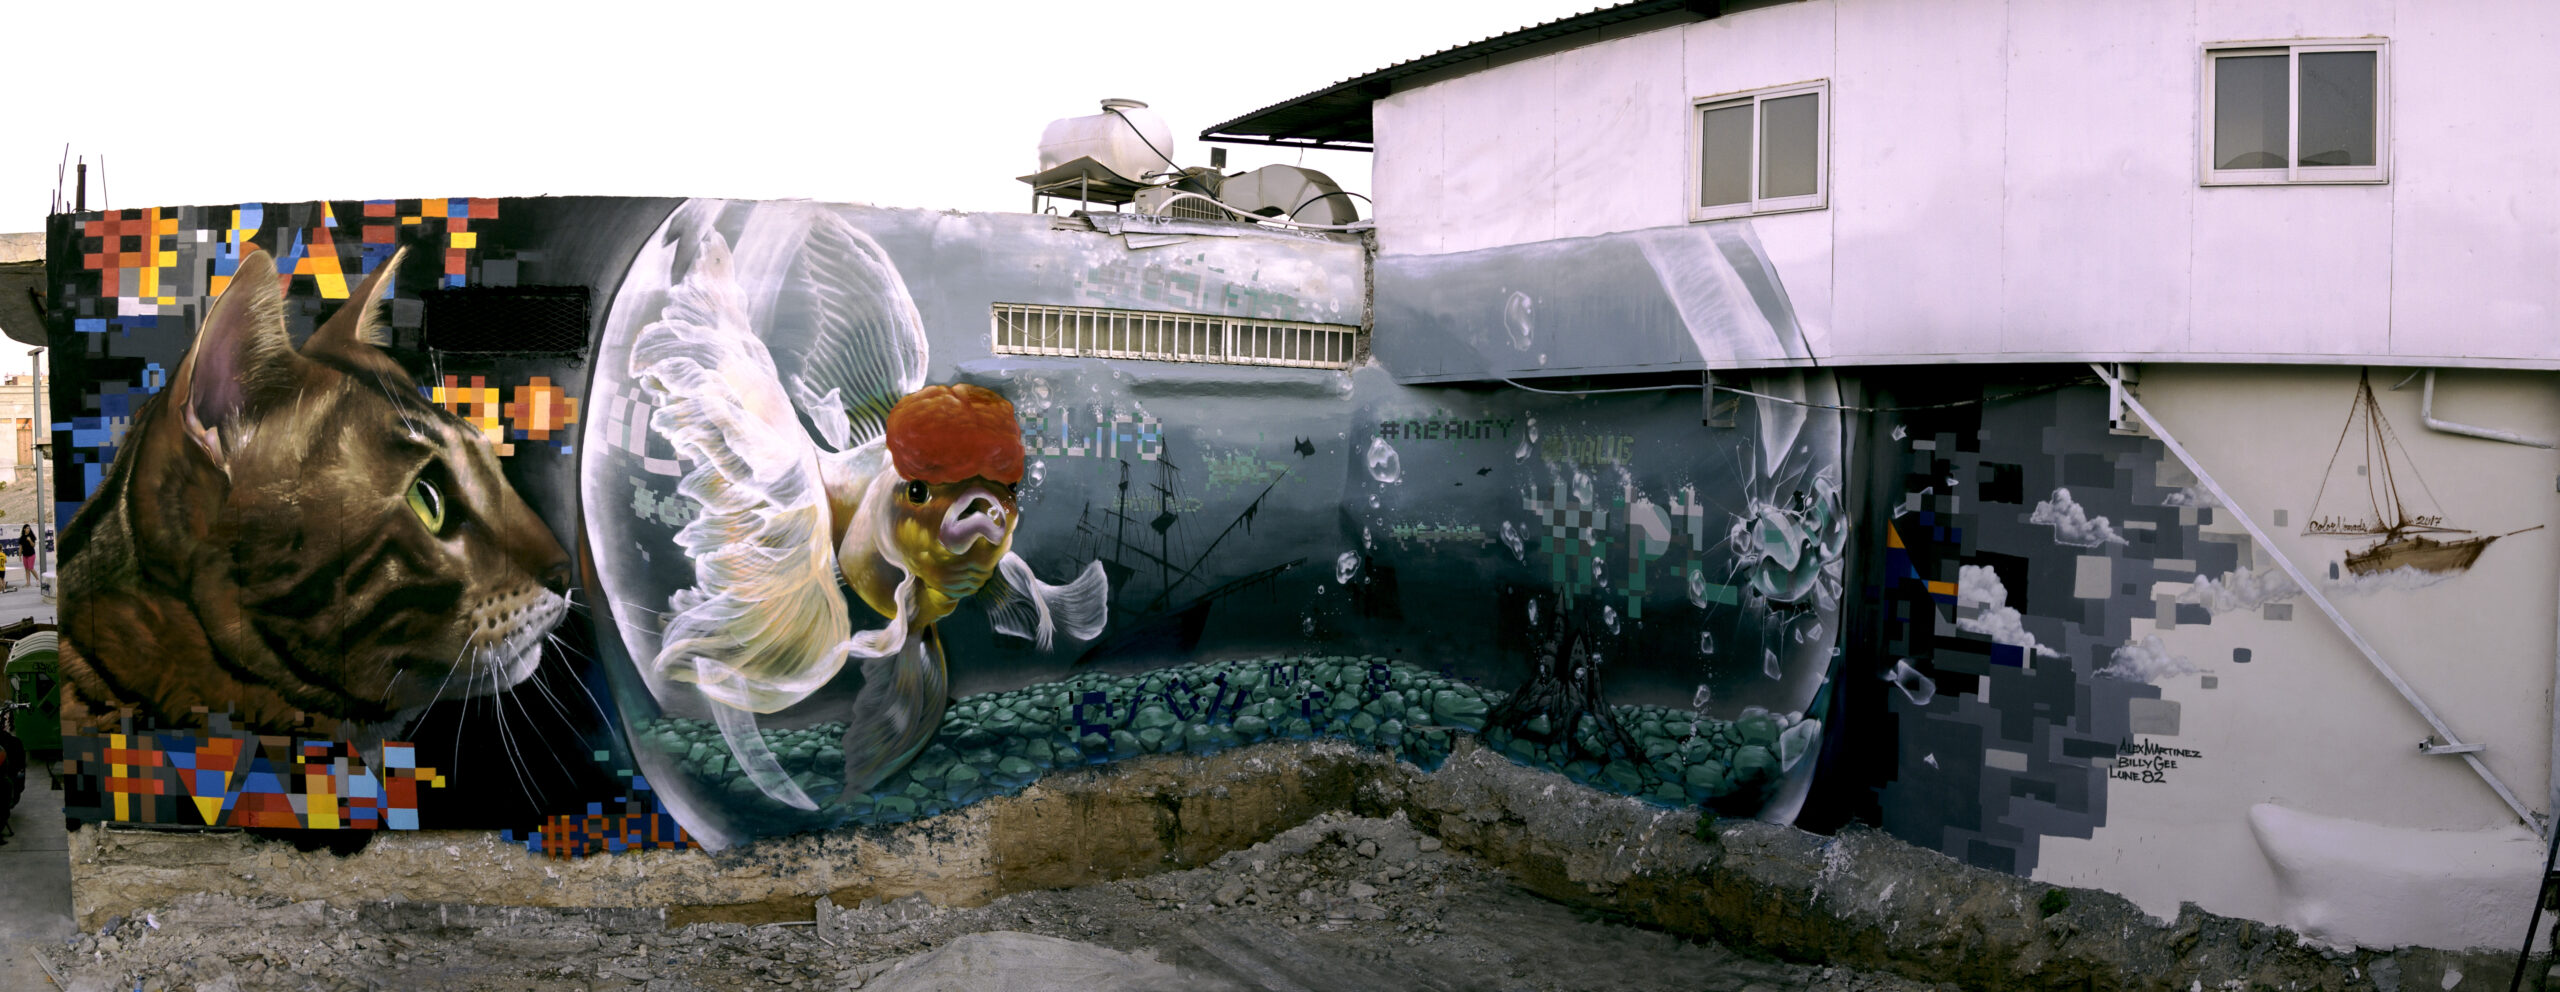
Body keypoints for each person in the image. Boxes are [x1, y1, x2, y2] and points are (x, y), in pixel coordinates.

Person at [17, 524, 33, 594]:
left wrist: (30, 540)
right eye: (27, 528)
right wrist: (19, 556)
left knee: (31, 568)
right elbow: (20, 547)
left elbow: (33, 545)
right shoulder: (22, 538)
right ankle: (28, 582)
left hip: (31, 554)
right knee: (26, 569)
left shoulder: (31, 536)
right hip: (25, 555)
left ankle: (38, 580)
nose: (28, 529)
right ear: (24, 529)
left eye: (29, 528)